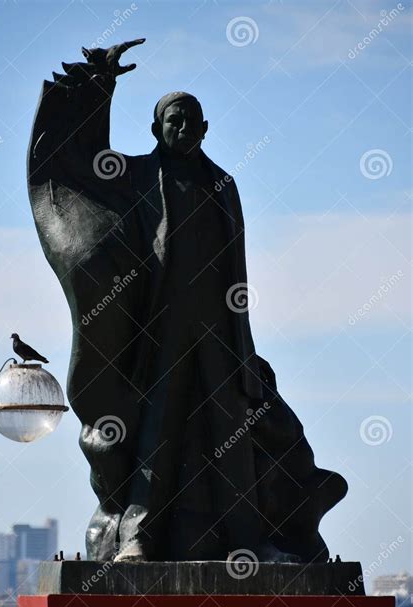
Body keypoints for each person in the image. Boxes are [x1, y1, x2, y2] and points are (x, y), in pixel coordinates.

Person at [28, 39, 347, 563]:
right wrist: (95, 86)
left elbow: (235, 270)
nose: (182, 128)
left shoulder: (223, 183)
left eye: (191, 121)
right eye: (173, 120)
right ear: (157, 129)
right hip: (159, 330)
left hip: (221, 333)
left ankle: (248, 543)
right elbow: (76, 164)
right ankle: (137, 539)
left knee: (233, 437)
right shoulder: (133, 177)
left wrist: (243, 346)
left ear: (204, 129)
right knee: (157, 434)